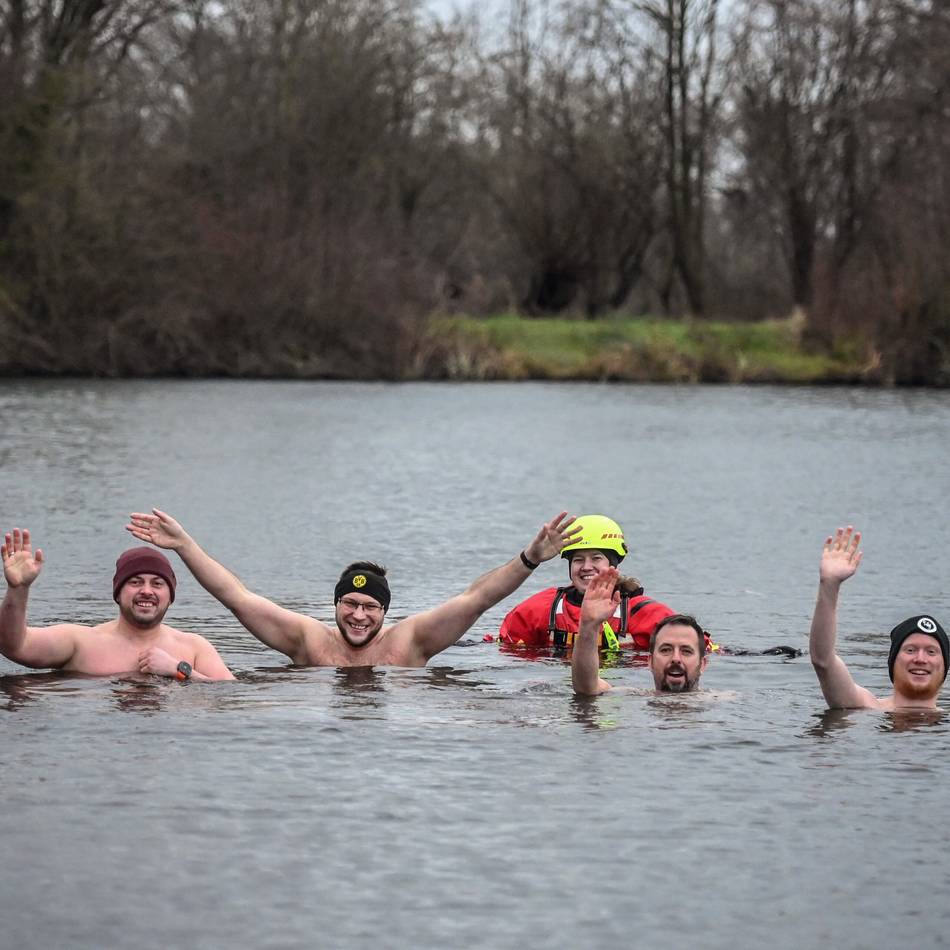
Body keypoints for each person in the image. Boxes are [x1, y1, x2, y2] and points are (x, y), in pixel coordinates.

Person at [125, 508, 580, 668]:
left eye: (369, 607)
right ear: (335, 605)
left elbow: (477, 598)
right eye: (350, 605)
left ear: (384, 614)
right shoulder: (307, 641)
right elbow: (237, 597)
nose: (358, 616)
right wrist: (185, 545)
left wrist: (530, 559)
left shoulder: (411, 642)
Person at [0, 528, 235, 680]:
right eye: (135, 582)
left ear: (170, 595)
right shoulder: (80, 641)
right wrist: (18, 589)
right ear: (118, 592)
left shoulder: (194, 648)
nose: (146, 590)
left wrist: (180, 670)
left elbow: (229, 696)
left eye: (157, 584)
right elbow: (15, 646)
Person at [809, 525, 947, 710]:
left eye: (931, 652)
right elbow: (823, 661)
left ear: (945, 667)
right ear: (892, 662)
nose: (921, 659)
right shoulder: (865, 707)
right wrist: (830, 584)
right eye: (910, 650)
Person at [498, 514, 674, 650]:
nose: (586, 567)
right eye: (578, 560)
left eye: (596, 558)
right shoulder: (539, 609)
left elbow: (694, 650)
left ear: (612, 565)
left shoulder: (646, 614)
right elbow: (504, 649)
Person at [572, 566, 707, 695]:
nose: (676, 659)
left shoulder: (722, 701)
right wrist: (588, 625)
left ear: (702, 664)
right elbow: (587, 687)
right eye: (666, 650)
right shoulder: (634, 696)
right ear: (650, 661)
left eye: (686, 651)